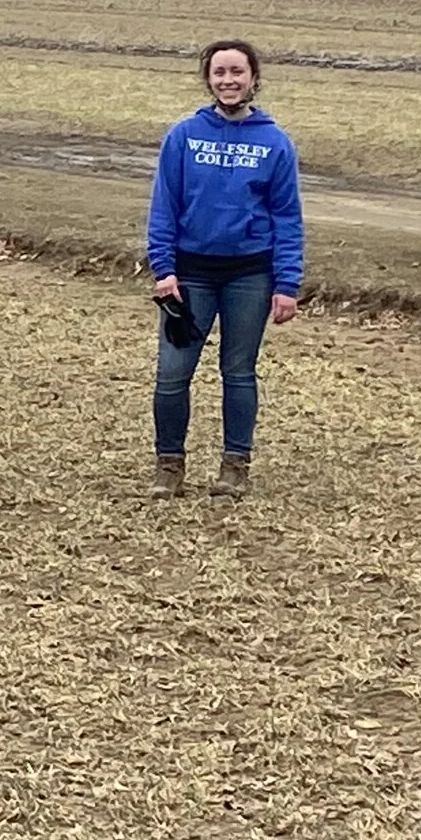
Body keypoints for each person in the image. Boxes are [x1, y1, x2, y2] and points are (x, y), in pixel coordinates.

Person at [145, 38, 303, 499]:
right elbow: (164, 208)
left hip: (249, 276)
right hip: (189, 275)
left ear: (253, 78)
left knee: (238, 372)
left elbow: (287, 217)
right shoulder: (183, 136)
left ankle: (235, 465)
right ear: (208, 79)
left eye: (237, 72)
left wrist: (286, 282)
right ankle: (169, 465)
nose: (228, 81)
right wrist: (164, 269)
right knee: (173, 373)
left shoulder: (275, 142)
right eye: (219, 73)